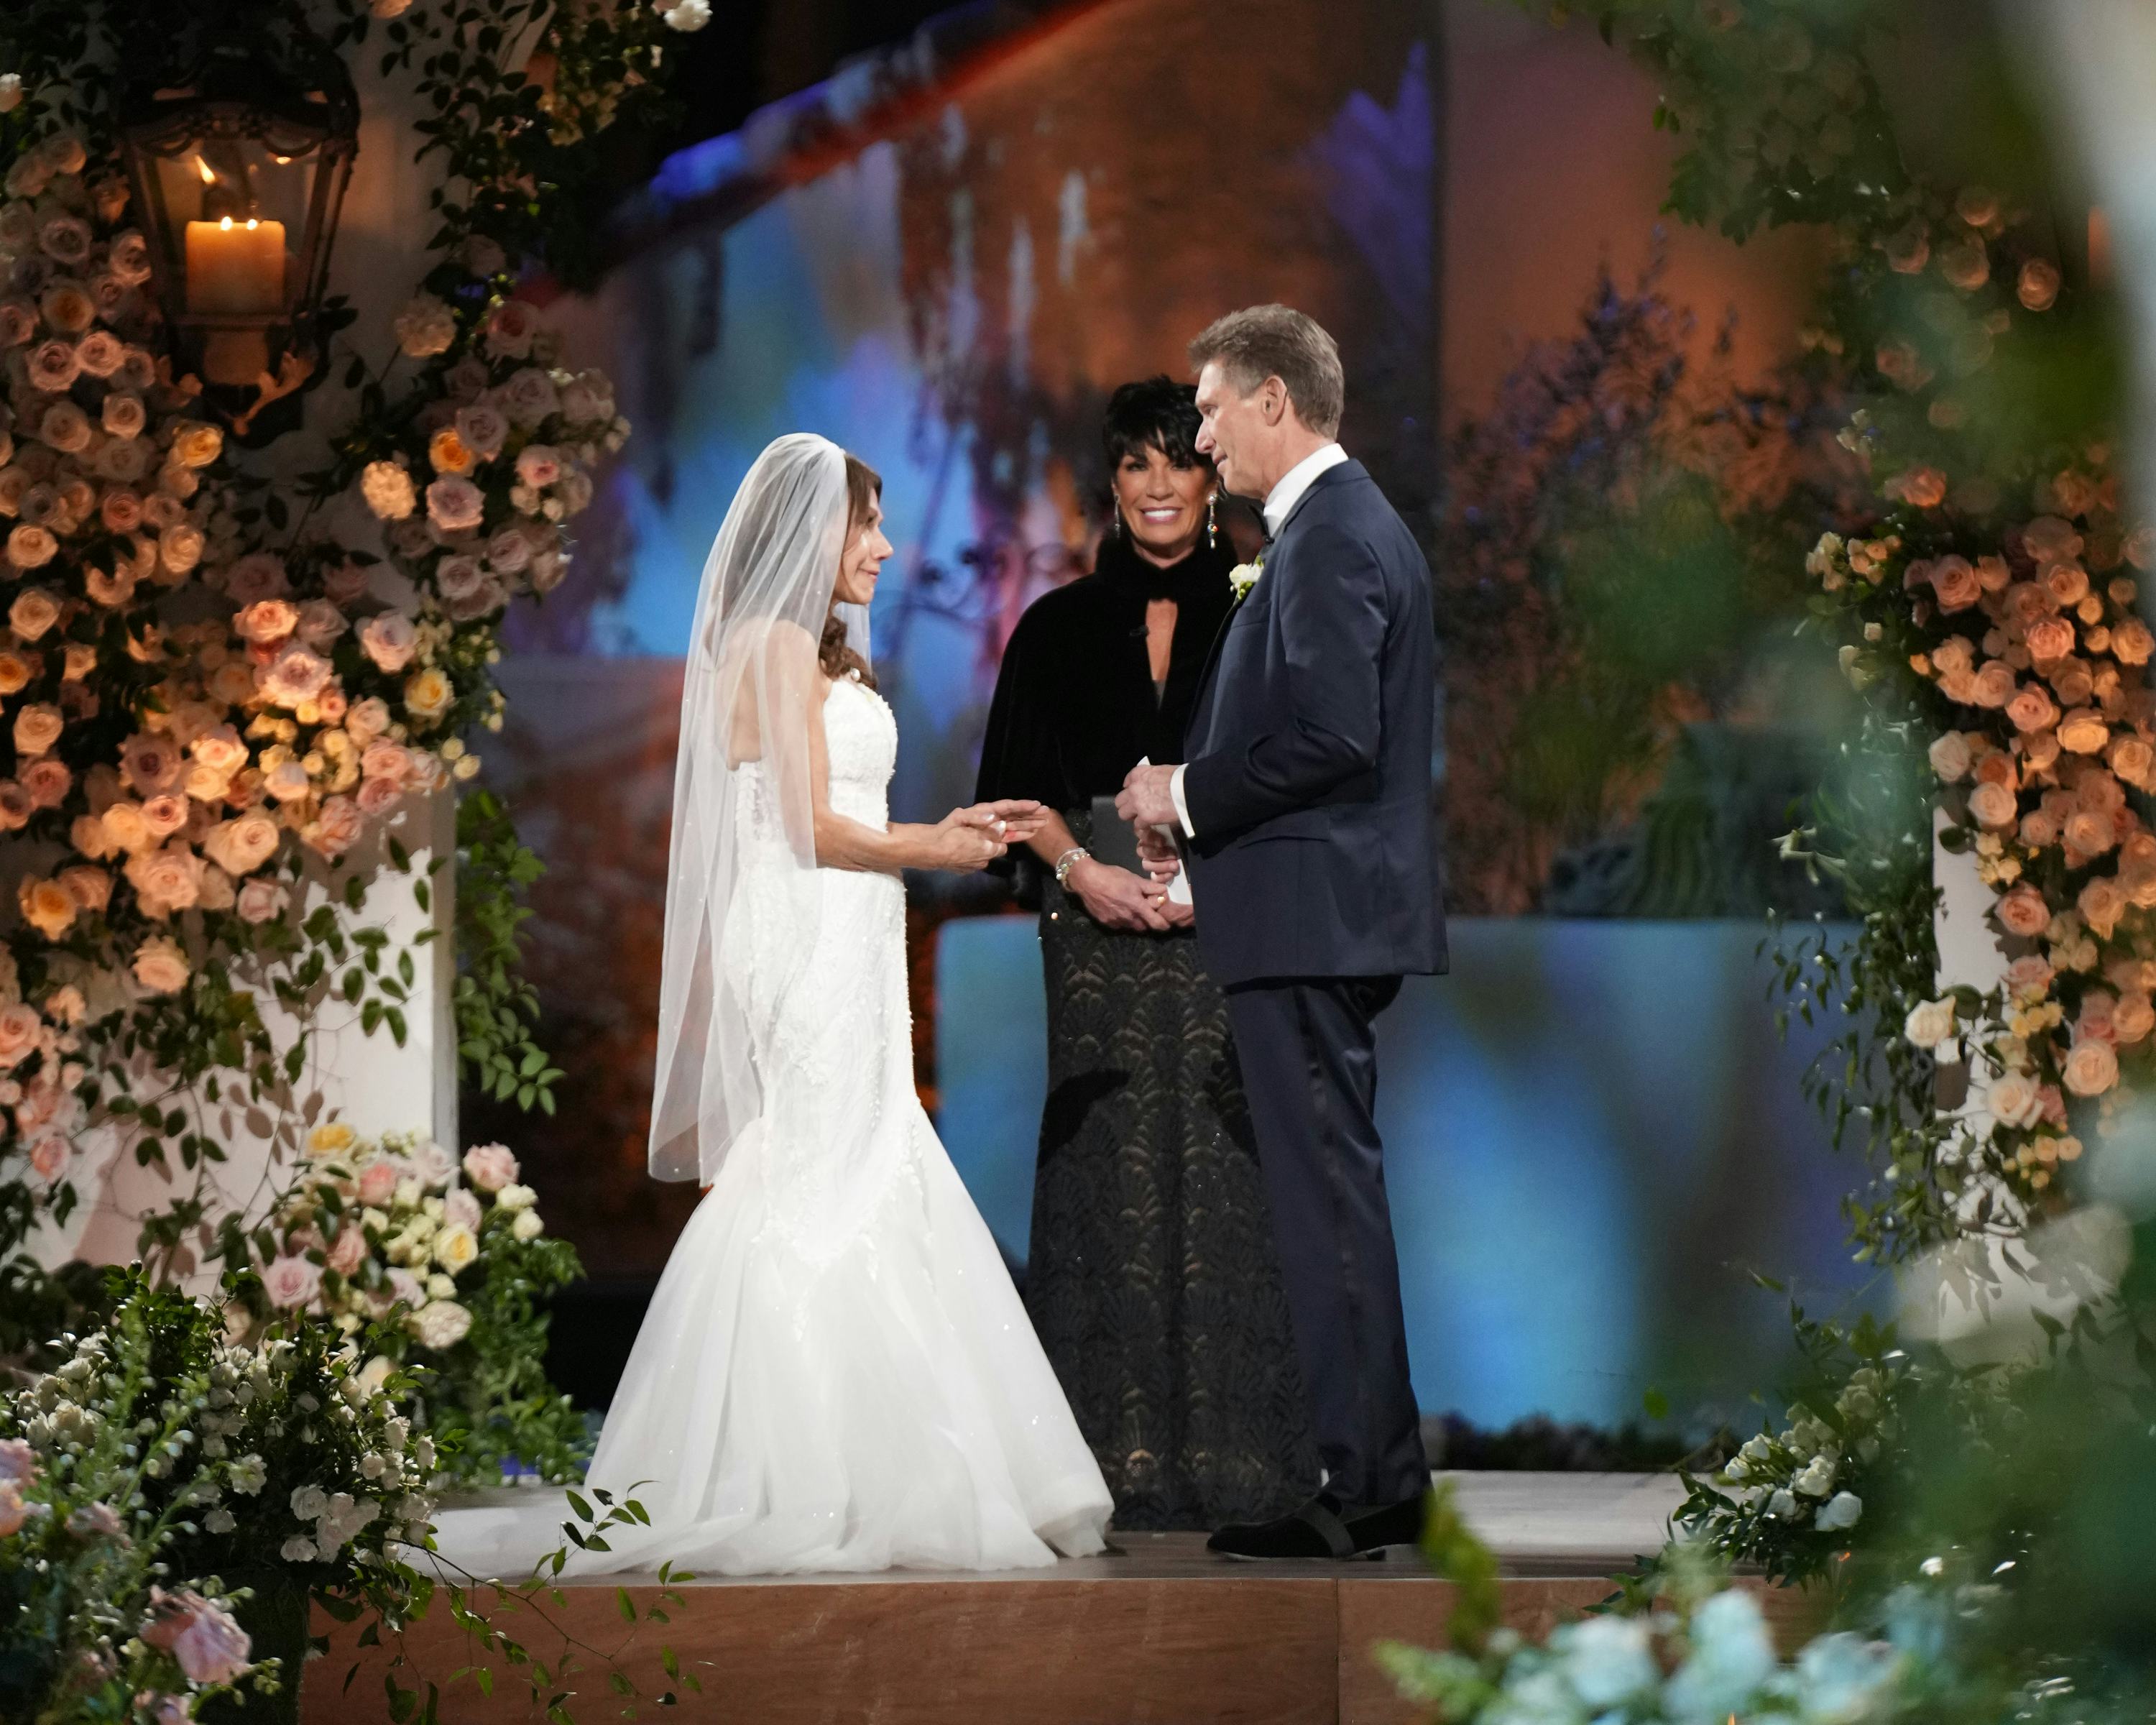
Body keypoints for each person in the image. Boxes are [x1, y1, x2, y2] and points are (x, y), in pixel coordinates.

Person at [572, 433, 1112, 1576]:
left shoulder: (819, 653)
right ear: (815, 530)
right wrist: (939, 845)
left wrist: (918, 851)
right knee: (813, 1172)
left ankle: (886, 1462)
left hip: (851, 928)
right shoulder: (768, 641)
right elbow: (803, 825)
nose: (885, 547)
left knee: (867, 1152)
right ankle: (793, 1471)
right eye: (867, 525)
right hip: (804, 925)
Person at [1117, 305, 1446, 1561]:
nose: (1197, 439)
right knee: (1331, 1199)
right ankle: (1373, 1470)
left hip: (1316, 924)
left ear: (1271, 400)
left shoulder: (1331, 537)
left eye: (1206, 411)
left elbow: (1332, 736)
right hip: (1309, 914)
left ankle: (1366, 1483)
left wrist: (1181, 793)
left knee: (1327, 1206)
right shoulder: (1330, 531)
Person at [975, 377, 1317, 1530]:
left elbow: (1307, 780)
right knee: (1103, 1189)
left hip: (1239, 936)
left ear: (1215, 475)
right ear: (1111, 481)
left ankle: (1246, 1470)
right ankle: (1099, 1469)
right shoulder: (1056, 626)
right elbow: (1007, 803)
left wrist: (1206, 881)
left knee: (1234, 1184)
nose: (1161, 483)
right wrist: (1086, 871)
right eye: (1136, 462)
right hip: (1094, 942)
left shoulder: (1267, 613)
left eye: (1181, 459)